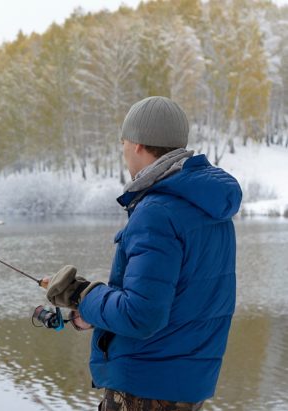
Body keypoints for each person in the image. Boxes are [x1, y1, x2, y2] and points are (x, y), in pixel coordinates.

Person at [43, 96, 242, 410]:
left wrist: (85, 294)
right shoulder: (210, 209)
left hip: (145, 387)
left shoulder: (156, 212)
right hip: (187, 385)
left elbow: (142, 315)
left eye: (122, 142)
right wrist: (92, 311)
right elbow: (176, 302)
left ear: (137, 144)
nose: (122, 150)